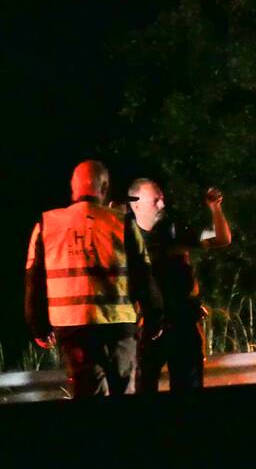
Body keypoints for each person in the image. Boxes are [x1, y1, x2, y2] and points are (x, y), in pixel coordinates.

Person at [25, 160, 163, 398]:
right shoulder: (122, 223)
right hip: (118, 328)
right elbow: (143, 276)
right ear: (104, 186)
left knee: (88, 398)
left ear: (73, 188)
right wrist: (154, 319)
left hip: (73, 329)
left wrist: (37, 325)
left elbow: (34, 281)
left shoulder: (47, 224)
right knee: (124, 396)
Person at [128, 179, 232, 394]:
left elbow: (222, 239)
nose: (161, 205)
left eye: (162, 200)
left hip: (183, 322)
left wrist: (215, 209)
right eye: (155, 201)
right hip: (146, 327)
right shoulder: (126, 237)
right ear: (135, 204)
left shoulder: (175, 230)